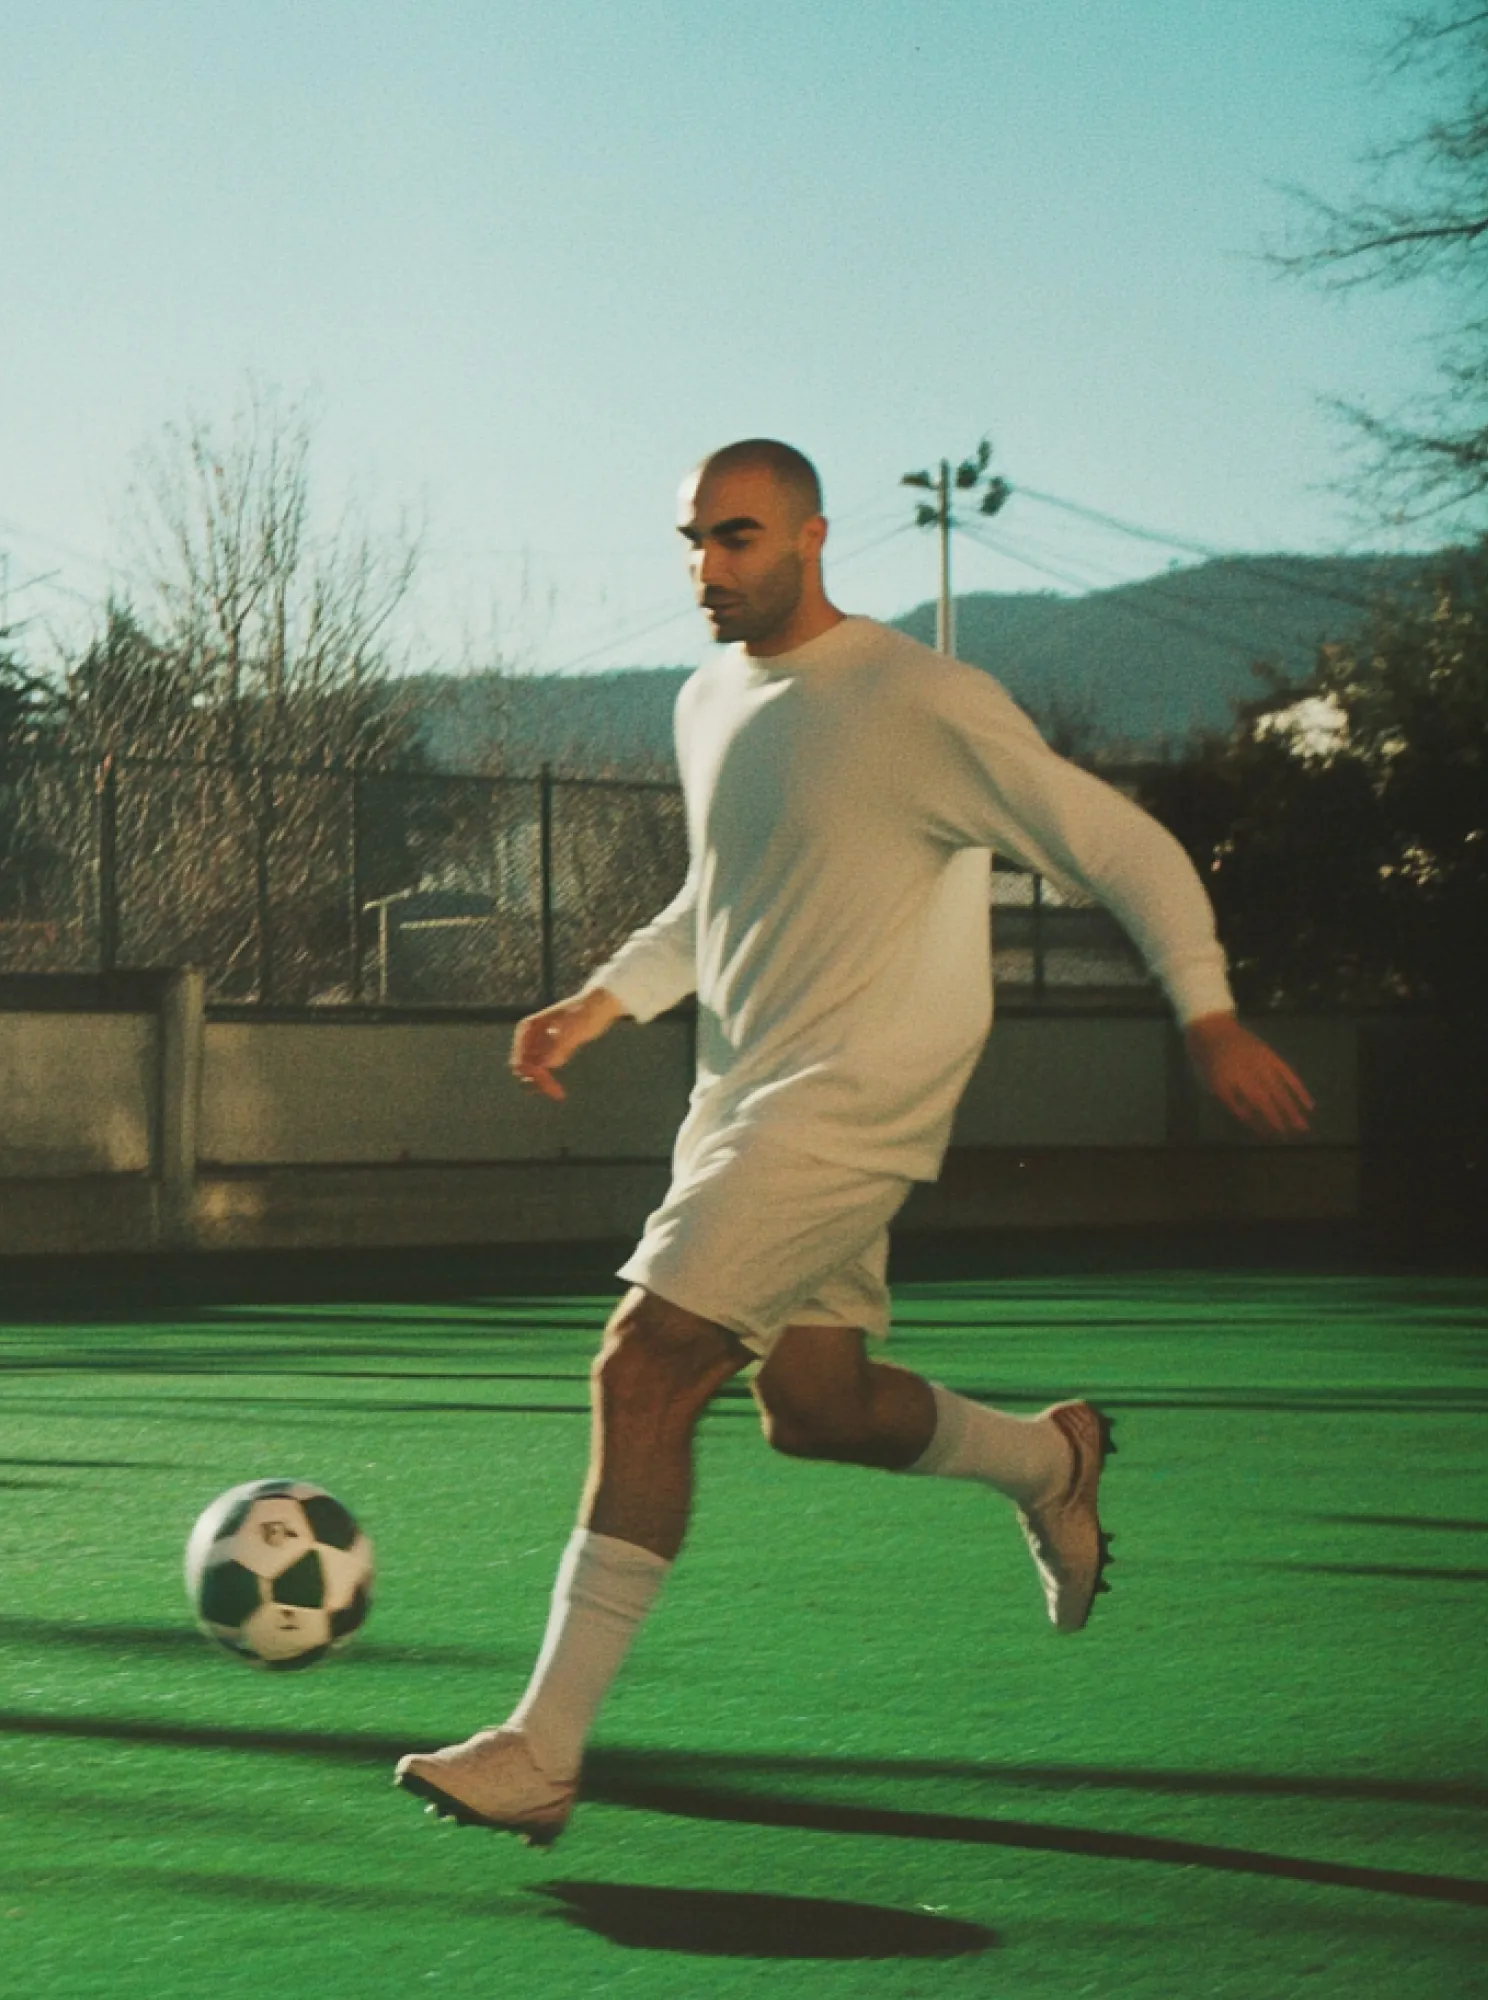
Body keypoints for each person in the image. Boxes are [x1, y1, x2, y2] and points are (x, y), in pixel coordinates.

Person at [395, 439, 1314, 1847]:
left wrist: (1208, 1017)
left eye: (740, 538)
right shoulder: (707, 701)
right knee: (814, 1406)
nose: (710, 566)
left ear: (815, 539)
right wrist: (601, 1000)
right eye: (696, 539)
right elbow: (720, 897)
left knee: (645, 1364)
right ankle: (1050, 1459)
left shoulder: (918, 698)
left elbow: (1123, 845)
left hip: (851, 1104)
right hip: (743, 1097)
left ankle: (544, 1750)